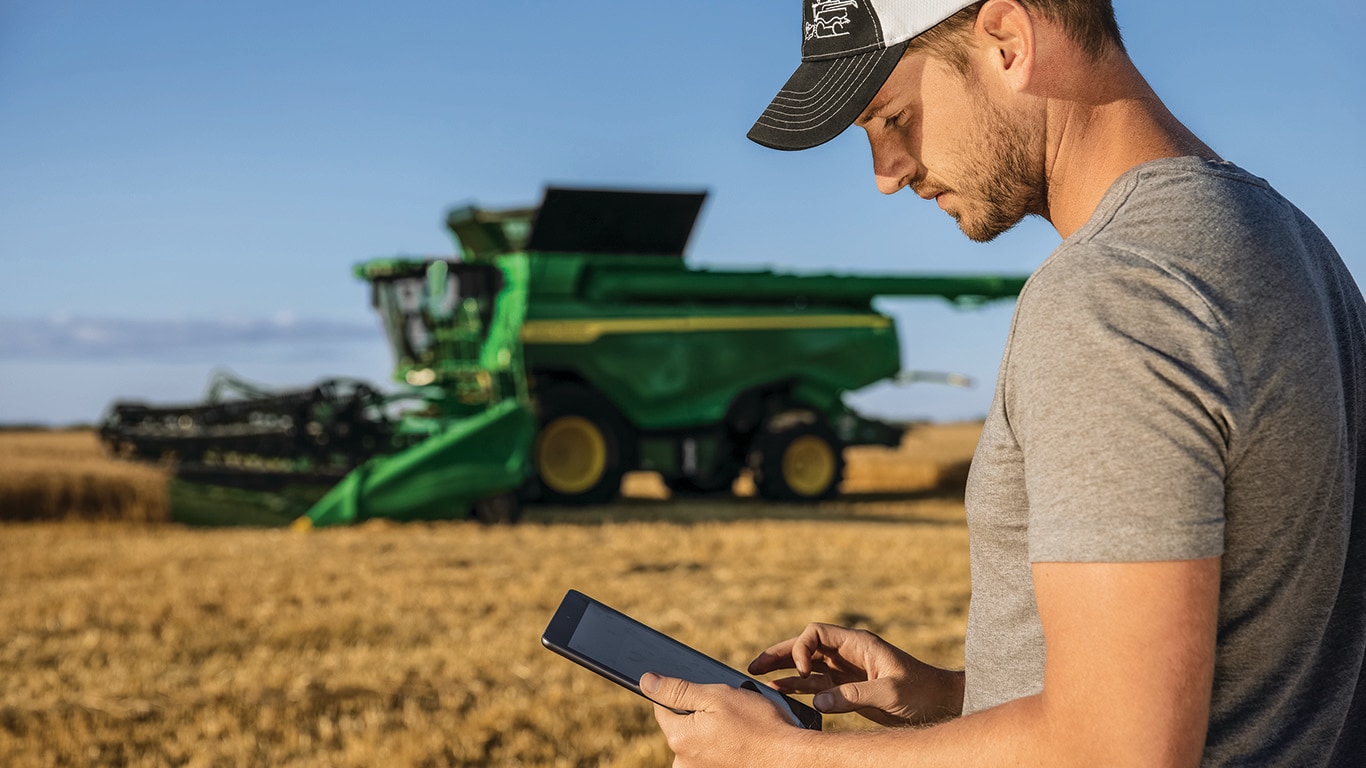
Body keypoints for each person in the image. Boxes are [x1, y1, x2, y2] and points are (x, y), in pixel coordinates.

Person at [640, 1, 1366, 765]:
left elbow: (1116, 752)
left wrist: (775, 757)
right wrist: (959, 695)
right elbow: (1262, 681)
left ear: (1009, 41)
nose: (888, 175)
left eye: (893, 118)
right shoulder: (1294, 249)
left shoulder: (1108, 294)